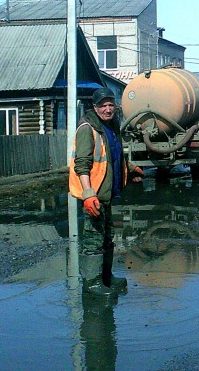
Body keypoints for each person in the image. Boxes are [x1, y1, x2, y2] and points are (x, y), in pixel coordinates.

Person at [69, 87, 143, 297]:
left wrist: (129, 168)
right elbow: (81, 165)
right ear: (95, 107)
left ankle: (106, 277)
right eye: (104, 105)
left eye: (111, 105)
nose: (108, 109)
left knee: (108, 237)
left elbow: (113, 154)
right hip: (95, 197)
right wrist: (88, 194)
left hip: (108, 194)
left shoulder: (110, 126)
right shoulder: (88, 129)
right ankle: (92, 284)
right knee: (93, 240)